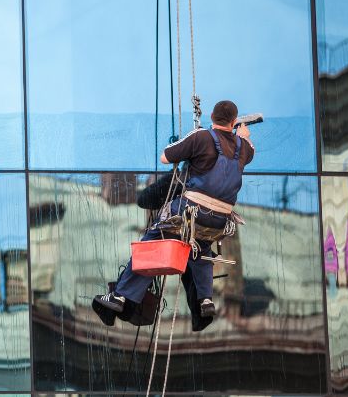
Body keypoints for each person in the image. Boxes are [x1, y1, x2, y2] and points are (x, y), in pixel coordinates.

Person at [94, 100, 254, 324]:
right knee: (201, 250)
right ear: (234, 121)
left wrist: (191, 147)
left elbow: (165, 157)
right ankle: (205, 300)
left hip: (191, 210)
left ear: (211, 116)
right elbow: (247, 148)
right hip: (219, 220)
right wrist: (243, 135)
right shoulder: (244, 147)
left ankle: (120, 296)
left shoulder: (201, 137)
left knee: (152, 244)